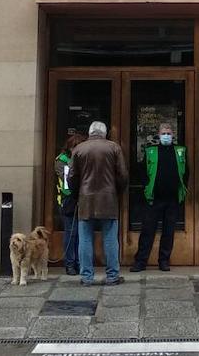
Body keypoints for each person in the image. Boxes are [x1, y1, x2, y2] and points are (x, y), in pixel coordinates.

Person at [69, 121, 128, 286]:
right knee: (110, 238)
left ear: (90, 132)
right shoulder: (114, 147)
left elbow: (72, 177)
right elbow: (123, 175)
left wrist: (77, 194)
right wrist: (117, 192)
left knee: (85, 239)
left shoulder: (79, 149)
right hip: (108, 198)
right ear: (104, 132)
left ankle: (87, 276)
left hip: (85, 198)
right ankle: (112, 275)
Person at [132, 121, 188, 272]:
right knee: (147, 231)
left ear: (173, 135)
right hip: (154, 199)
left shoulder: (180, 150)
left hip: (172, 199)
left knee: (168, 232)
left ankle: (164, 261)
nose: (166, 136)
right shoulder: (151, 151)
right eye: (163, 133)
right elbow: (142, 171)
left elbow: (186, 172)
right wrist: (146, 187)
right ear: (158, 134)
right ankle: (140, 262)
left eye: (169, 133)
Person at [54, 132, 85, 275]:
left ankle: (80, 262)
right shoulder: (62, 160)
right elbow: (67, 183)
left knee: (82, 233)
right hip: (69, 200)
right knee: (71, 233)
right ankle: (70, 263)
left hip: (83, 199)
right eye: (75, 147)